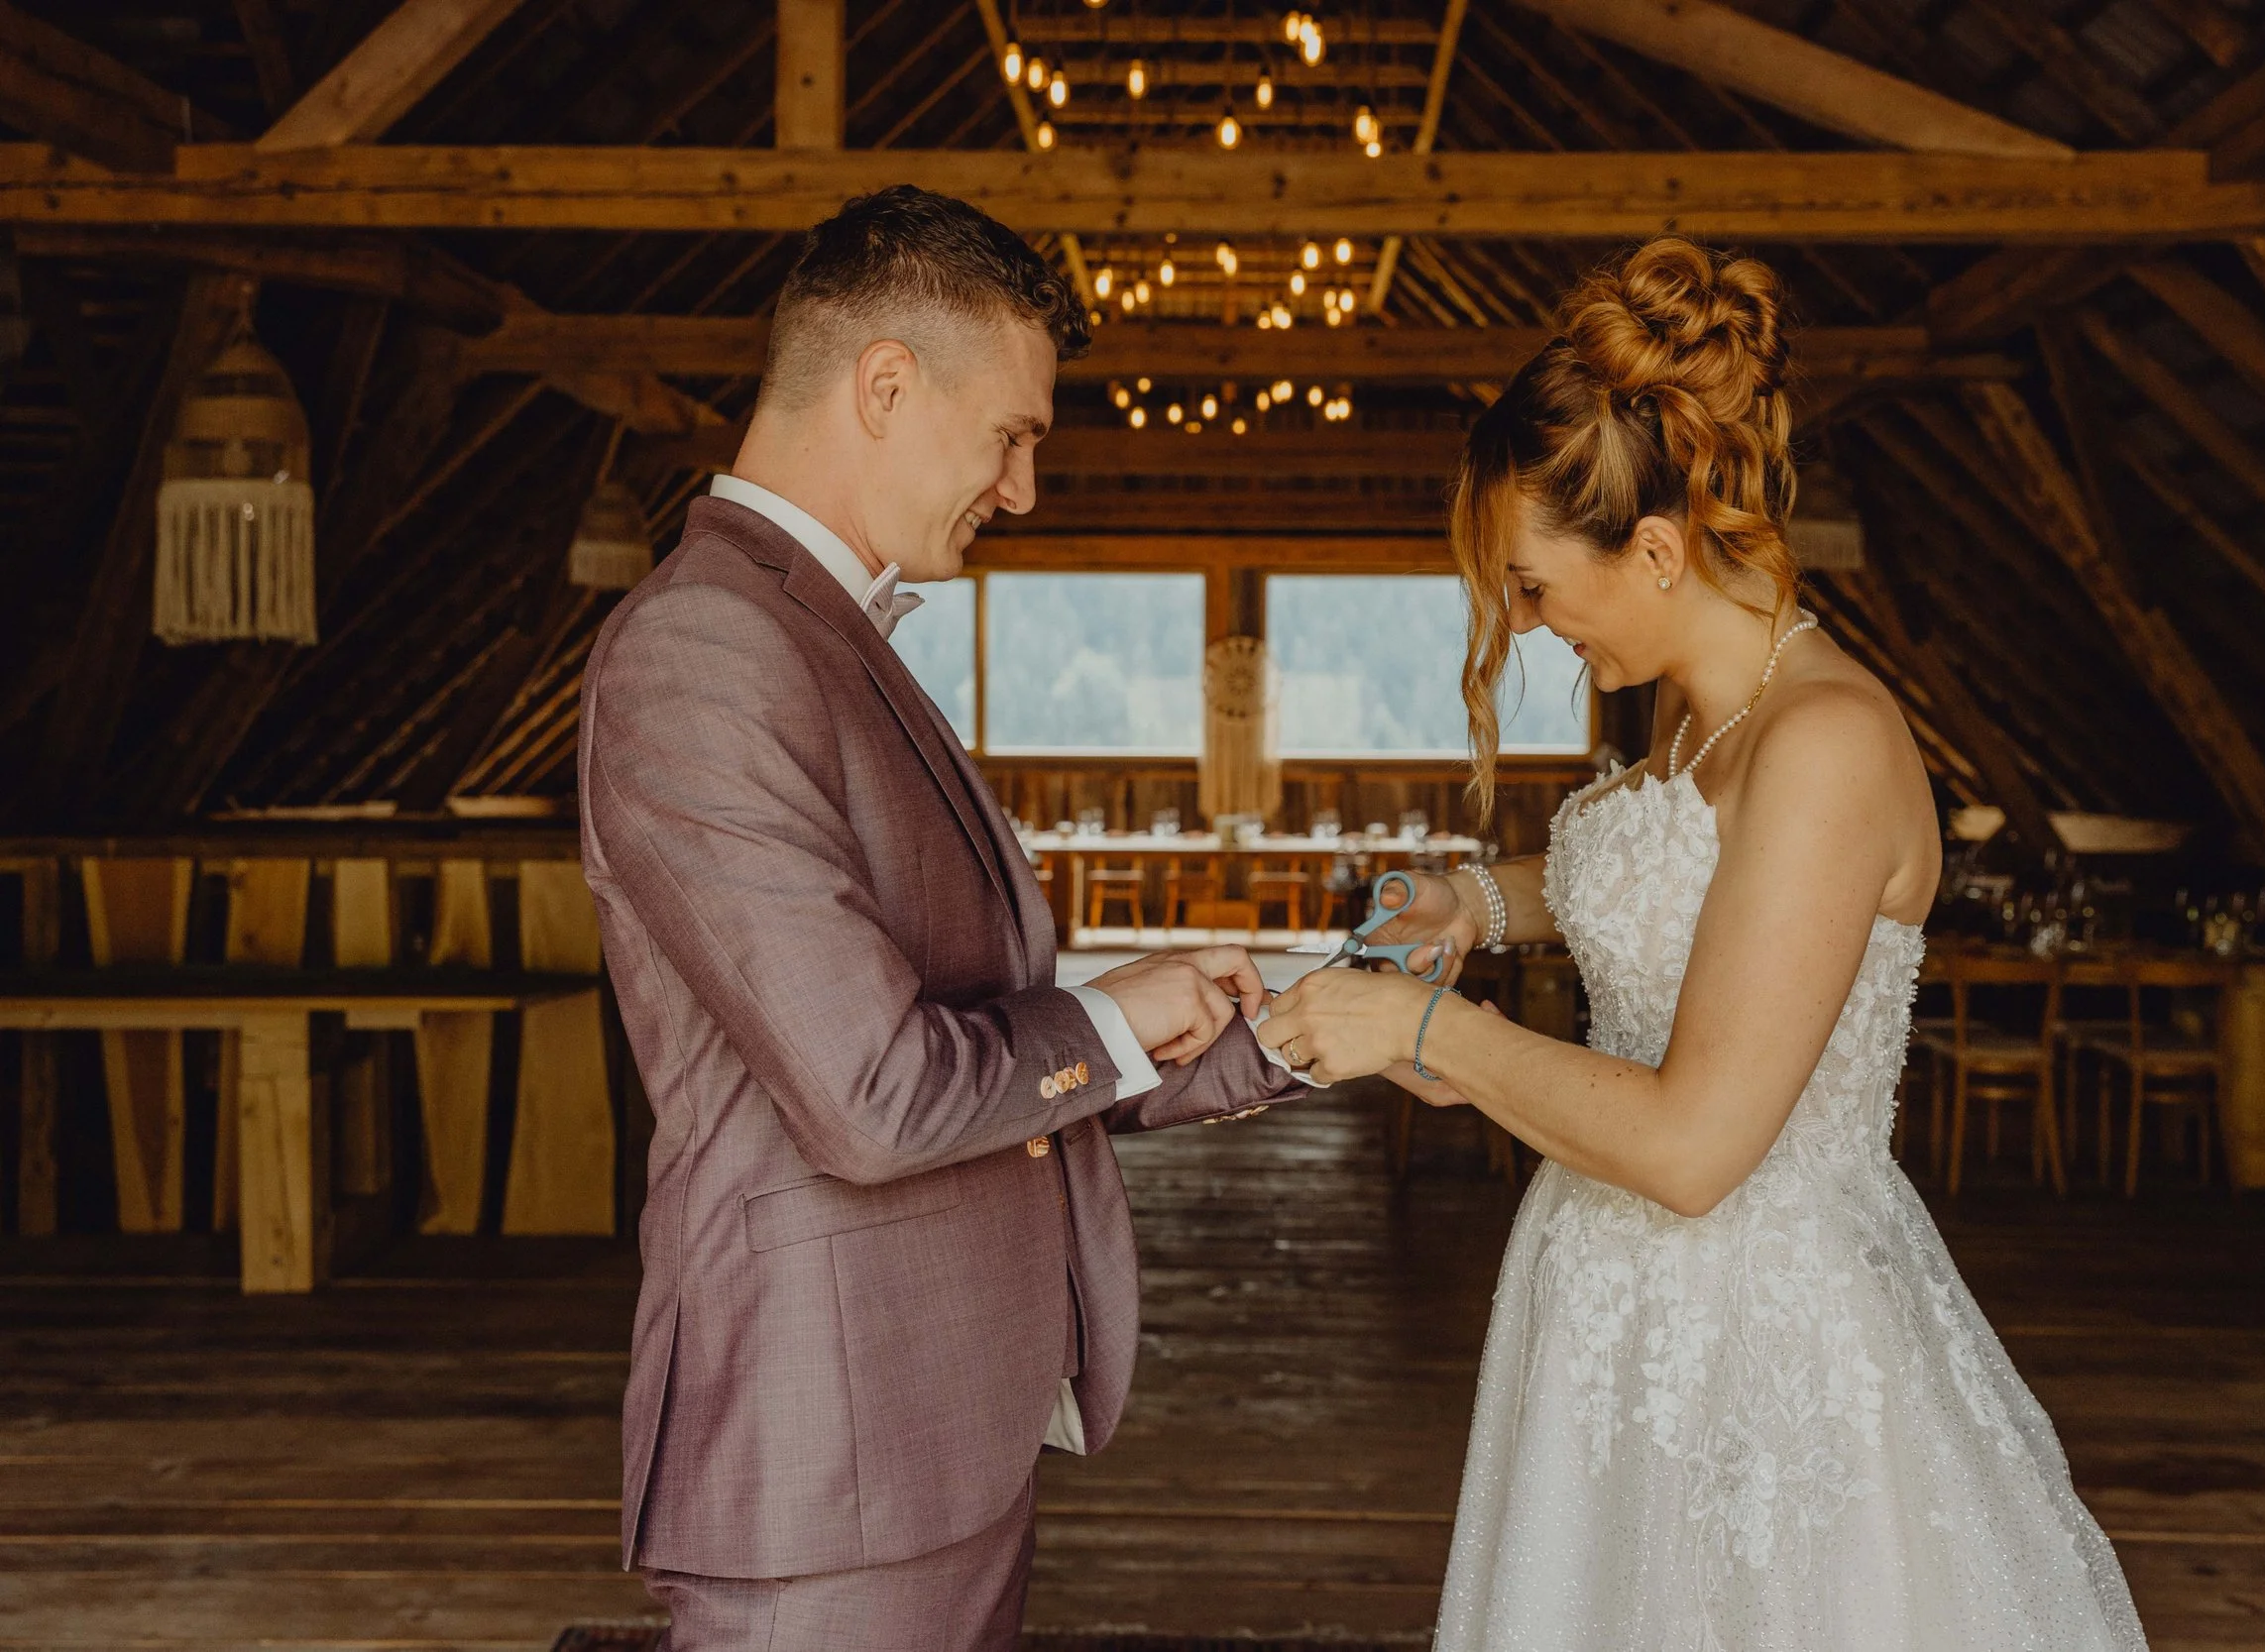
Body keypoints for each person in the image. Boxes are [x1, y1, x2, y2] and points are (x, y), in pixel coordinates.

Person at [1255, 237, 2146, 1649]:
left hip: (1764, 1349)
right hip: (1611, 1310)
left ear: (1657, 550)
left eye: (1537, 586)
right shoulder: (1692, 714)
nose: (1528, 624)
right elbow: (1669, 891)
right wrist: (1477, 904)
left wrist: (1430, 1032)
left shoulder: (1830, 743)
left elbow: (1693, 1145)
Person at [577, 185, 1302, 1651]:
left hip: (931, 1430)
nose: (1026, 485)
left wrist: (1312, 1023)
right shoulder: (706, 648)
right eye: (1014, 434)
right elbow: (876, 1089)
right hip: (824, 1466)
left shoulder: (828, 636)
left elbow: (995, 1043)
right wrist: (1114, 1009)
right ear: (887, 384)